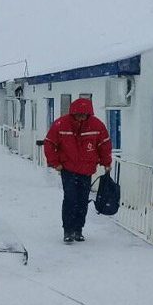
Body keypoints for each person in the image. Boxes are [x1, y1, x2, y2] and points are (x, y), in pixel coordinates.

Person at [44, 98, 112, 243]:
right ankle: (68, 230)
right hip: (68, 169)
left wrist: (106, 163)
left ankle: (78, 230)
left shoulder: (97, 126)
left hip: (86, 170)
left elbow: (104, 145)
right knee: (70, 199)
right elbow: (49, 144)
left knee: (82, 201)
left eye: (84, 115)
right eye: (78, 115)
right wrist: (55, 163)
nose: (81, 117)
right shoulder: (61, 124)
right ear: (73, 113)